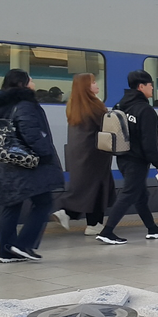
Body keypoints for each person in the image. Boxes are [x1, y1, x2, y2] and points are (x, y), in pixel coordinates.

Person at [0, 69, 64, 263]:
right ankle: (22, 245)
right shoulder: (25, 105)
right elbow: (31, 133)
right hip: (27, 165)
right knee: (44, 203)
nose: (34, 82)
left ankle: (6, 252)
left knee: (12, 206)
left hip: (8, 163)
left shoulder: (4, 105)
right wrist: (45, 153)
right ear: (22, 84)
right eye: (31, 79)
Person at [96, 70, 158, 245]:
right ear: (141, 86)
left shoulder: (120, 105)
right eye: (151, 84)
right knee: (129, 193)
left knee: (140, 194)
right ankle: (107, 231)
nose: (153, 88)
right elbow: (150, 142)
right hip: (137, 160)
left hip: (122, 157)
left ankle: (152, 228)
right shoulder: (145, 110)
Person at [52, 73, 116, 236]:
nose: (96, 85)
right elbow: (107, 126)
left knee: (89, 188)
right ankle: (75, 215)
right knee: (97, 187)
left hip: (79, 153)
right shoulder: (95, 105)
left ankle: (89, 222)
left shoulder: (74, 105)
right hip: (96, 153)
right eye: (93, 82)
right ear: (86, 87)